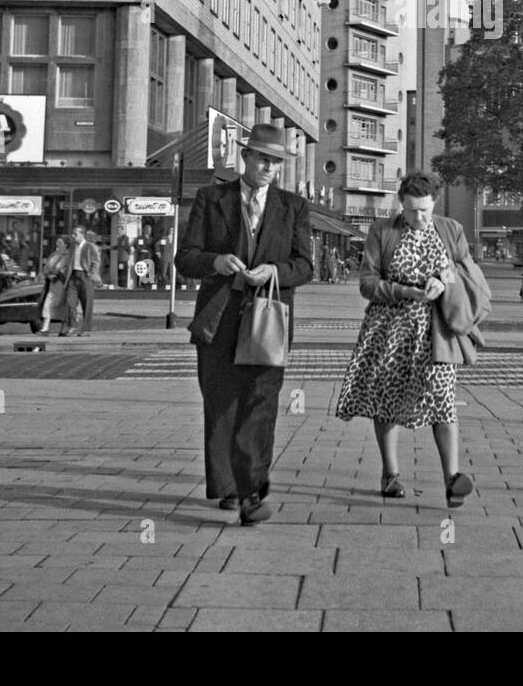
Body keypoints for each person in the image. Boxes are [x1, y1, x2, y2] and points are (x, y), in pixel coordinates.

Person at [177, 123, 313, 525]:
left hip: (268, 316)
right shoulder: (211, 198)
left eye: (277, 161)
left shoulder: (293, 207)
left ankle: (251, 490)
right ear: (246, 157)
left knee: (260, 404)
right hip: (219, 316)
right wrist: (215, 262)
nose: (270, 167)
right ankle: (228, 487)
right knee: (221, 403)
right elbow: (185, 257)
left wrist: (274, 270)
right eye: (264, 159)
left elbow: (305, 266)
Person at [336, 169, 481, 508]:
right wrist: (402, 290)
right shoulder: (382, 230)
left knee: (442, 399)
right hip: (388, 329)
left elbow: (467, 269)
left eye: (425, 210)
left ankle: (452, 479)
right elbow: (367, 282)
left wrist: (444, 280)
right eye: (412, 210)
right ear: (400, 203)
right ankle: (390, 474)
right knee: (386, 399)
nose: (418, 217)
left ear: (435, 204)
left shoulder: (450, 229)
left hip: (437, 330)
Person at [61, 225, 100, 337]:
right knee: (70, 302)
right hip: (73, 276)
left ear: (82, 234)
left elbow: (96, 261)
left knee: (87, 303)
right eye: (72, 234)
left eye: (75, 234)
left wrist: (91, 274)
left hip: (85, 276)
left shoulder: (90, 246)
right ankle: (72, 326)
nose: (73, 236)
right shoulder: (72, 246)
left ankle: (86, 329)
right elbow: (68, 260)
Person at [36, 236, 69, 334]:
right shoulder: (54, 254)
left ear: (65, 244)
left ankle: (64, 329)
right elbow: (46, 267)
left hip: (62, 284)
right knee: (48, 305)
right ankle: (45, 328)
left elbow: (64, 270)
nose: (57, 244)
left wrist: (54, 273)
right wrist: (47, 274)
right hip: (52, 284)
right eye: (57, 242)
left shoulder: (67, 256)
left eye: (60, 242)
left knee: (63, 306)